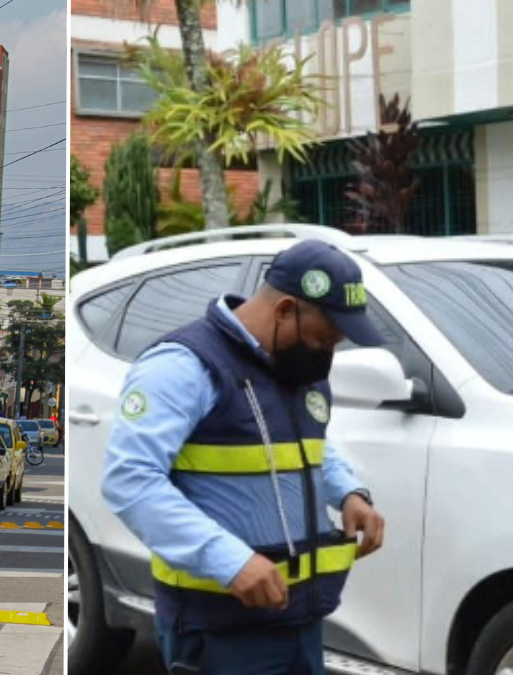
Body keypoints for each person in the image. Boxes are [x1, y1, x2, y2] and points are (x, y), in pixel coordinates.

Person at [102, 240, 386, 675]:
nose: (327, 352)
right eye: (323, 338)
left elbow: (305, 444)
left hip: (298, 620)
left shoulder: (294, 365)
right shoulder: (184, 366)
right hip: (219, 628)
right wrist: (229, 561)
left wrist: (348, 492)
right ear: (285, 310)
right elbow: (130, 481)